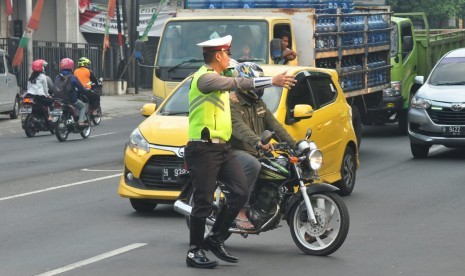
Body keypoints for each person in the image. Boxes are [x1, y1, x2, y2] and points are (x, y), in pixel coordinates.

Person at [184, 34, 296, 269]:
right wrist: (271, 81)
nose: (230, 57)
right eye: (227, 53)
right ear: (218, 55)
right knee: (203, 202)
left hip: (223, 148)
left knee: (240, 191)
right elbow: (238, 83)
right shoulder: (204, 79)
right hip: (202, 149)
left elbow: (241, 75)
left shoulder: (222, 74)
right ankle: (194, 252)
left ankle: (215, 238)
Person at [229, 62, 296, 229]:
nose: (258, 85)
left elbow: (275, 126)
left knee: (283, 168)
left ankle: (278, 209)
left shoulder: (258, 104)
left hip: (256, 150)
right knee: (253, 165)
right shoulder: (233, 103)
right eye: (254, 81)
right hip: (235, 151)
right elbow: (240, 129)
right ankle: (241, 210)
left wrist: (296, 145)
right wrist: (258, 141)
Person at [54, 58, 88, 126]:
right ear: (71, 67)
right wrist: (86, 91)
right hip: (70, 100)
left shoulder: (57, 77)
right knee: (83, 106)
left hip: (57, 99)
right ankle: (81, 121)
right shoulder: (73, 77)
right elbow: (81, 88)